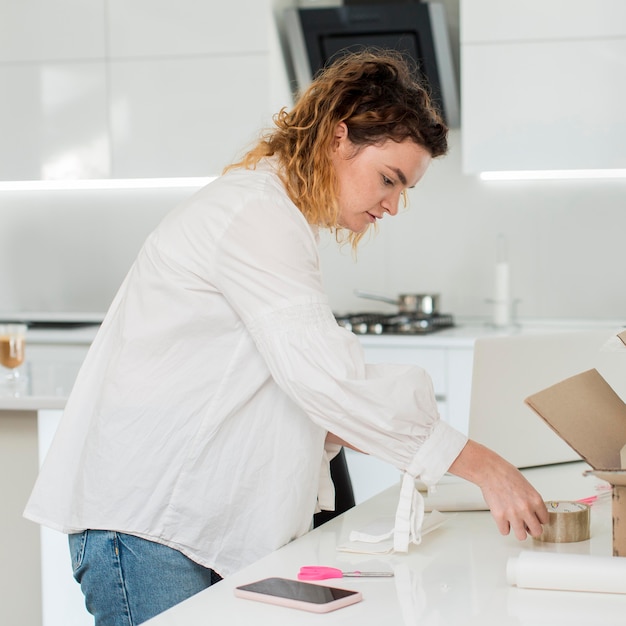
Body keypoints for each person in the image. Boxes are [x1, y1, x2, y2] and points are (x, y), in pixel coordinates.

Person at [24, 50, 548, 626]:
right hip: (151, 525)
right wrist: (483, 466)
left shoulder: (274, 214)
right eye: (389, 180)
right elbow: (327, 381)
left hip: (179, 525)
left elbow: (293, 389)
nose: (394, 205)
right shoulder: (255, 214)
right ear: (337, 139)